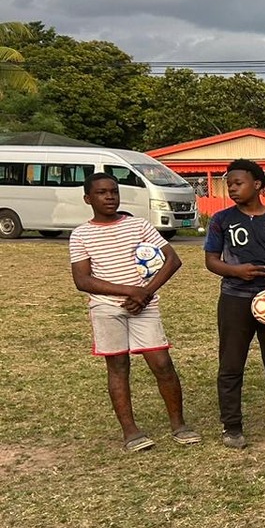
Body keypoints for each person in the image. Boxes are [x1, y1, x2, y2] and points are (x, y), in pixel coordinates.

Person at [69, 172, 199, 452]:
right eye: (102, 193)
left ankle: (179, 424)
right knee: (118, 367)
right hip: (106, 308)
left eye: (113, 191)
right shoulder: (81, 234)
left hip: (145, 305)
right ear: (87, 198)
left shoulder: (138, 225)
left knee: (162, 364)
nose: (109, 197)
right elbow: (83, 280)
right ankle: (130, 431)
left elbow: (172, 260)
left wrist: (146, 293)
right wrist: (130, 291)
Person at [204, 158, 265, 449]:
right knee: (231, 364)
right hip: (235, 299)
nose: (232, 188)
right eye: (229, 184)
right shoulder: (222, 220)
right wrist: (236, 271)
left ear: (257, 184)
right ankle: (232, 427)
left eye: (238, 183)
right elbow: (211, 260)